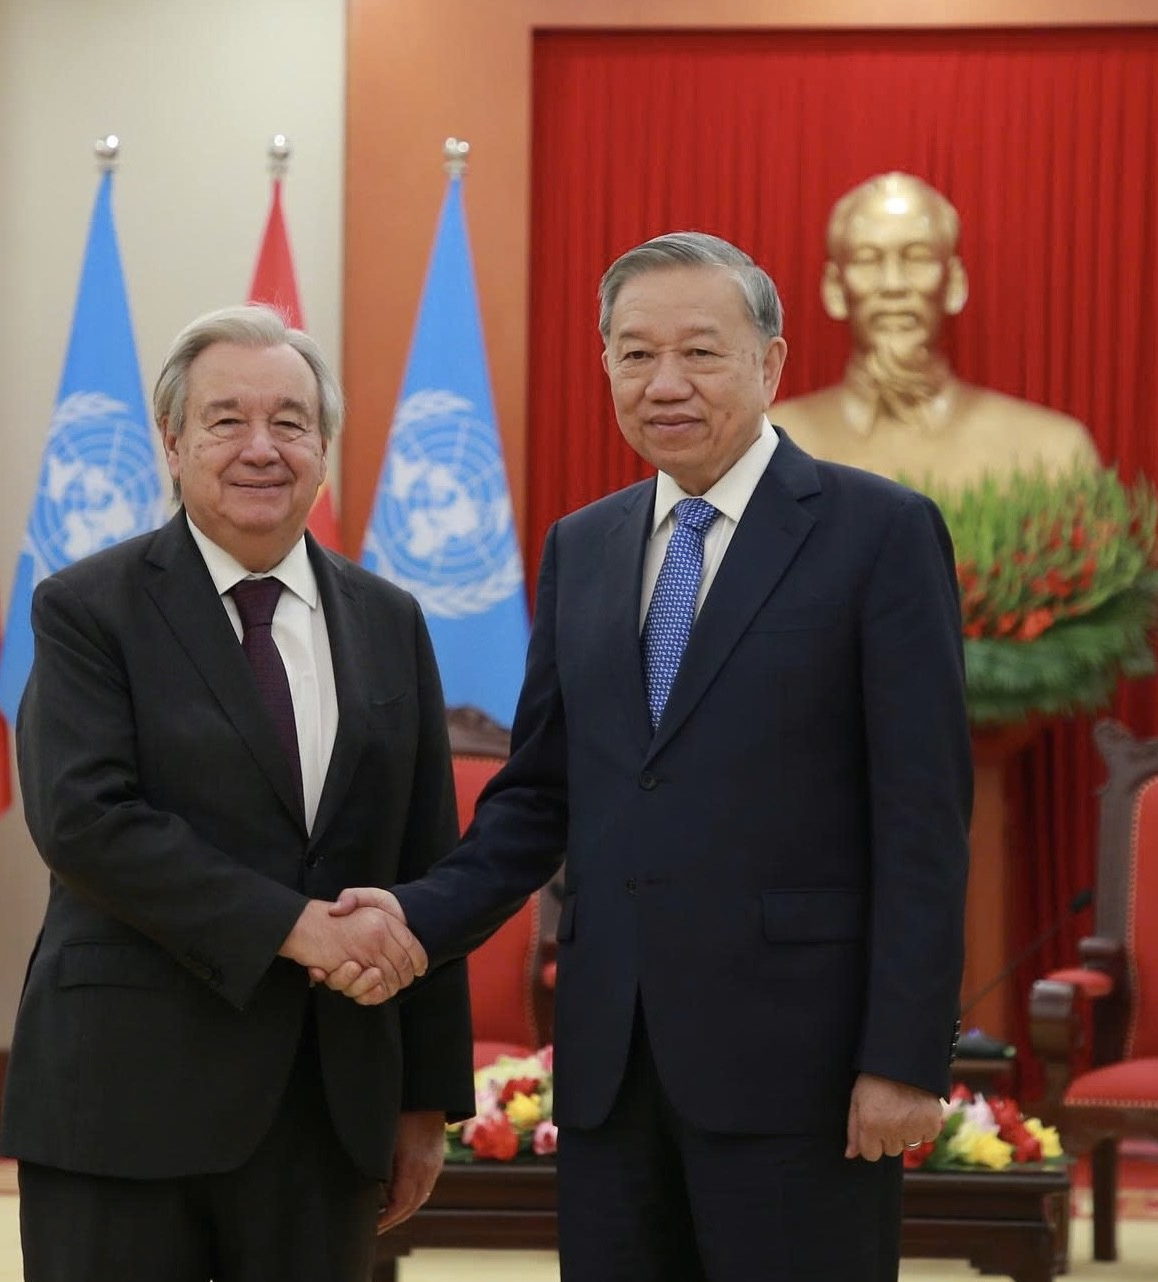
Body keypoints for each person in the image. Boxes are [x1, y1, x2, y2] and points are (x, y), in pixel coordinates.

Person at [326, 233, 972, 1281]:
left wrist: (902, 1058)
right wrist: (411, 917)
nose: (664, 382)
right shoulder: (583, 546)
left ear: (769, 362)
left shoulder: (878, 533)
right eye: (634, 354)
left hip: (799, 1076)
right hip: (612, 1071)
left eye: (699, 353)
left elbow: (923, 818)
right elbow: (537, 800)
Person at [0, 305, 473, 1282]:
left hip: (327, 1103)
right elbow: (85, 822)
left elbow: (425, 859)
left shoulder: (389, 620)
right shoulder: (86, 608)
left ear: (323, 448)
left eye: (290, 422)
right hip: (123, 1094)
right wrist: (295, 929)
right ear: (173, 444)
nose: (262, 447)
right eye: (226, 421)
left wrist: (425, 1099)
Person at [770, 172, 1101, 491]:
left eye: (918, 258)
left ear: (954, 283)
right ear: (834, 288)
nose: (893, 284)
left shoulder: (1051, 453)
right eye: (867, 260)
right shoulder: (766, 449)